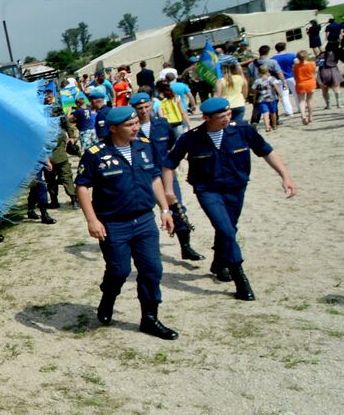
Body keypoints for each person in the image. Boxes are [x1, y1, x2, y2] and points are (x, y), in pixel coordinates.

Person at [161, 96, 299, 301]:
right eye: (221, 116)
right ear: (207, 117)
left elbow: (267, 152)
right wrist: (168, 190)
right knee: (225, 229)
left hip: (236, 188)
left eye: (228, 114)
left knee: (228, 228)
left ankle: (218, 263)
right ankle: (239, 277)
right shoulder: (191, 138)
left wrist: (285, 176)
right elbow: (168, 164)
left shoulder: (243, 130)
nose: (227, 119)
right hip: (208, 190)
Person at [75, 106, 178, 339]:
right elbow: (82, 186)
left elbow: (154, 178)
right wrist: (92, 220)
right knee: (119, 270)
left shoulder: (144, 145)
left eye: (136, 123)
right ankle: (108, 297)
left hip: (143, 220)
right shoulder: (96, 153)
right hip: (113, 224)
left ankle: (150, 319)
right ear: (113, 128)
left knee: (152, 270)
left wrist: (165, 209)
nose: (136, 127)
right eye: (129, 125)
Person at [130, 92, 203, 262]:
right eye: (139, 108)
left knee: (177, 207)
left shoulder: (162, 125)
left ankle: (185, 246)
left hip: (164, 173)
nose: (144, 111)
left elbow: (172, 146)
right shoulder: (131, 129)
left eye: (146, 106)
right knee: (143, 211)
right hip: (142, 176)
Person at [214, 58, 248, 123]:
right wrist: (243, 99)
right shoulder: (241, 78)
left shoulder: (220, 81)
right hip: (239, 104)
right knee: (237, 125)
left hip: (226, 105)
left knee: (227, 126)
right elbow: (245, 92)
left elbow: (217, 95)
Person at [251, 63, 281, 131]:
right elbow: (277, 87)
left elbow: (255, 92)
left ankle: (267, 126)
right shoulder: (272, 79)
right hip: (272, 98)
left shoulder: (257, 81)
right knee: (273, 112)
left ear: (258, 72)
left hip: (261, 99)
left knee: (265, 113)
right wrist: (280, 95)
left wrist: (254, 99)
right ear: (267, 71)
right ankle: (274, 125)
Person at [273, 42, 299, 118]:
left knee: (284, 96)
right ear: (284, 47)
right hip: (291, 76)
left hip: (280, 79)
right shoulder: (292, 55)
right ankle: (300, 107)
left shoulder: (273, 58)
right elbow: (297, 64)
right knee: (296, 93)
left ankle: (289, 112)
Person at [293, 51, 317, 124]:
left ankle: (303, 116)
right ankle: (310, 116)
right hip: (310, 82)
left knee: (301, 101)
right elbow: (314, 73)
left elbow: (295, 76)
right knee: (309, 100)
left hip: (300, 83)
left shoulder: (295, 66)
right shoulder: (312, 64)